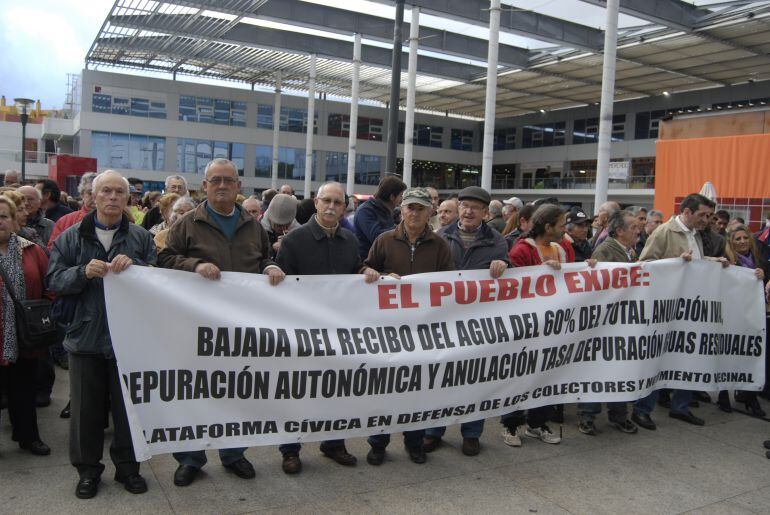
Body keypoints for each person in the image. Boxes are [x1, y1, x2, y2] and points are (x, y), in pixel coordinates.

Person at [158, 158, 285, 487]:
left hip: (241, 326)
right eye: (215, 180)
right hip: (197, 326)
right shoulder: (187, 222)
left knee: (238, 390)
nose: (222, 186)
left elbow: (263, 256)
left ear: (239, 187)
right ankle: (191, 458)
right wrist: (195, 264)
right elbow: (165, 258)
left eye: (229, 180)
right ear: (205, 186)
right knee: (196, 391)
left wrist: (270, 266)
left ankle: (233, 453)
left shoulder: (252, 224)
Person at [47, 170, 157, 499]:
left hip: (128, 339)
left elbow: (156, 279)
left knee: (128, 411)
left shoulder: (140, 237)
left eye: (119, 192)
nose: (112, 197)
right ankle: (88, 471)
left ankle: (128, 468)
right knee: (85, 413)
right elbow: (54, 280)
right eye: (105, 191)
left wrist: (137, 268)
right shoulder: (70, 236)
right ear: (93, 197)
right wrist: (82, 273)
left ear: (128, 199)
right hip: (85, 338)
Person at [275, 182, 380, 474]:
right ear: (316, 203)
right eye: (326, 201)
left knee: (337, 389)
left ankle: (333, 443)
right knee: (296, 393)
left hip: (337, 332)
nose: (332, 206)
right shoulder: (295, 240)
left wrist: (363, 271)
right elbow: (281, 285)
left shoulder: (349, 239)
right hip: (302, 332)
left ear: (344, 206)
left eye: (337, 202)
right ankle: (290, 449)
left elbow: (353, 268)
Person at [364, 187, 454, 465]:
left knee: (418, 389)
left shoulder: (440, 246)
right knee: (385, 389)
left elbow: (450, 285)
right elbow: (366, 271)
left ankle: (414, 442)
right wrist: (374, 274)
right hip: (388, 330)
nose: (414, 213)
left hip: (423, 331)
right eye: (410, 207)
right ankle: (378, 443)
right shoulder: (384, 239)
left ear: (430, 212)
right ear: (401, 210)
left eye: (420, 208)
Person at [632, 193, 728, 430]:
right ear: (686, 212)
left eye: (708, 216)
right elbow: (645, 264)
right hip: (667, 307)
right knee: (659, 360)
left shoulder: (695, 235)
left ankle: (681, 406)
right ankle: (642, 409)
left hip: (690, 307)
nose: (707, 220)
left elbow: (696, 265)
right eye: (702, 215)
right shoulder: (665, 232)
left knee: (688, 356)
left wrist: (713, 262)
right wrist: (674, 263)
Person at [425, 186, 508, 456]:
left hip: (477, 324)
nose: (468, 211)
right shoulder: (440, 236)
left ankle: (471, 433)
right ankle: (433, 431)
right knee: (439, 378)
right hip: (444, 321)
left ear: (485, 212)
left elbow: (513, 279)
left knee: (476, 378)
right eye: (464, 206)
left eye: (475, 207)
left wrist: (504, 266)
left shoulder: (497, 241)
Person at [501, 204, 570, 447]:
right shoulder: (521, 250)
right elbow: (515, 285)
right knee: (520, 375)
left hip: (554, 325)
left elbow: (575, 278)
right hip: (528, 326)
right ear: (548, 226)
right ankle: (510, 423)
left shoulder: (563, 248)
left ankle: (537, 422)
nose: (565, 229)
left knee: (548, 374)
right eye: (562, 224)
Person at [577, 210, 641, 436]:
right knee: (598, 370)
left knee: (620, 370)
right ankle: (587, 416)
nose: (638, 230)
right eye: (633, 227)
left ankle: (618, 416)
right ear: (620, 231)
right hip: (605, 323)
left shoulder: (630, 251)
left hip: (623, 321)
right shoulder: (605, 250)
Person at [0, 196, 51, 457]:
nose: (0, 222)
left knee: (24, 389)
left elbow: (48, 286)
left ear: (14, 220)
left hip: (24, 334)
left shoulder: (31, 250)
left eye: (4, 216)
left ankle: (28, 437)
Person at [720, 225, 768, 415]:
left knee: (750, 354)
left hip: (753, 315)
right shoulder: (726, 262)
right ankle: (723, 394)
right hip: (731, 315)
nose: (742, 242)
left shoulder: (759, 260)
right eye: (737, 239)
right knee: (727, 353)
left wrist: (764, 276)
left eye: (744, 238)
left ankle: (750, 397)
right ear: (731, 242)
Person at [354, 175, 407, 259]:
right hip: (367, 264)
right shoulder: (365, 211)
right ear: (392, 197)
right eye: (400, 195)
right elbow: (377, 237)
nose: (402, 199)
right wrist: (403, 228)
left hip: (382, 260)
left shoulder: (386, 210)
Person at [47, 173, 98, 252]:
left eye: (99, 192)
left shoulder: (117, 221)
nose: (95, 197)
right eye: (90, 193)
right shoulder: (65, 221)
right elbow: (53, 252)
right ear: (82, 194)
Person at [260, 193, 300, 259]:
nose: (283, 228)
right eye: (278, 225)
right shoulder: (259, 229)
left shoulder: (298, 232)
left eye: (287, 224)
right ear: (270, 219)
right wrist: (272, 248)